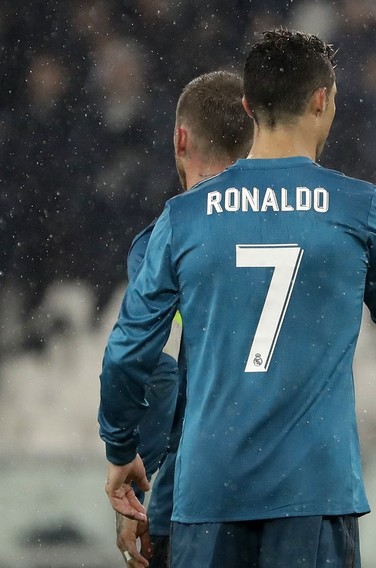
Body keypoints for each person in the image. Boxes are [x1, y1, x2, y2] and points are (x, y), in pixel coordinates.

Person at [98, 28, 376, 567]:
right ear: (322, 99)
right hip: (313, 491)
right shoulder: (358, 206)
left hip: (208, 492)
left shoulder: (183, 218)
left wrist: (121, 447)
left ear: (248, 106)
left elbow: (129, 353)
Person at [113, 70, 254, 568]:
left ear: (180, 138)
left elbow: (154, 368)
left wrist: (135, 473)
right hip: (302, 493)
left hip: (199, 495)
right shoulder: (312, 223)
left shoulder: (167, 240)